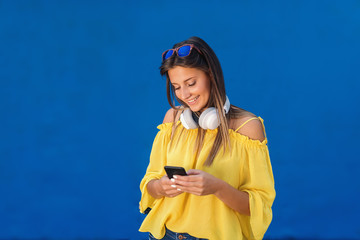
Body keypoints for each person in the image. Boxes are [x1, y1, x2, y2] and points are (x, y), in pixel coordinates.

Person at [139, 36, 275, 240]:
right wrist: (160, 187)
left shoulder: (248, 128)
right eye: (176, 87)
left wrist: (217, 187)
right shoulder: (173, 119)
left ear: (211, 75)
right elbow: (149, 182)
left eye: (191, 83)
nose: (184, 94)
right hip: (165, 234)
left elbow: (258, 206)